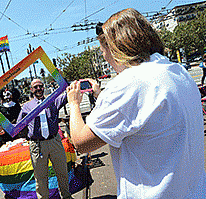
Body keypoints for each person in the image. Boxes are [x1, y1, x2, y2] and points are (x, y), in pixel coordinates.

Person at [66, 8, 206, 199]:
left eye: (104, 52)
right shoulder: (179, 72)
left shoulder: (129, 83)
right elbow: (142, 118)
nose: (107, 59)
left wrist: (74, 104)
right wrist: (102, 97)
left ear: (116, 49)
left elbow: (81, 143)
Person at [11, 79, 71, 199]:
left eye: (40, 86)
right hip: (37, 146)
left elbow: (68, 92)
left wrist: (61, 78)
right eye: (35, 87)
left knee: (62, 172)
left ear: (43, 87)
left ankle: (66, 196)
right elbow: (18, 126)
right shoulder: (26, 107)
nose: (38, 88)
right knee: (41, 177)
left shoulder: (52, 101)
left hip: (54, 142)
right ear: (31, 89)